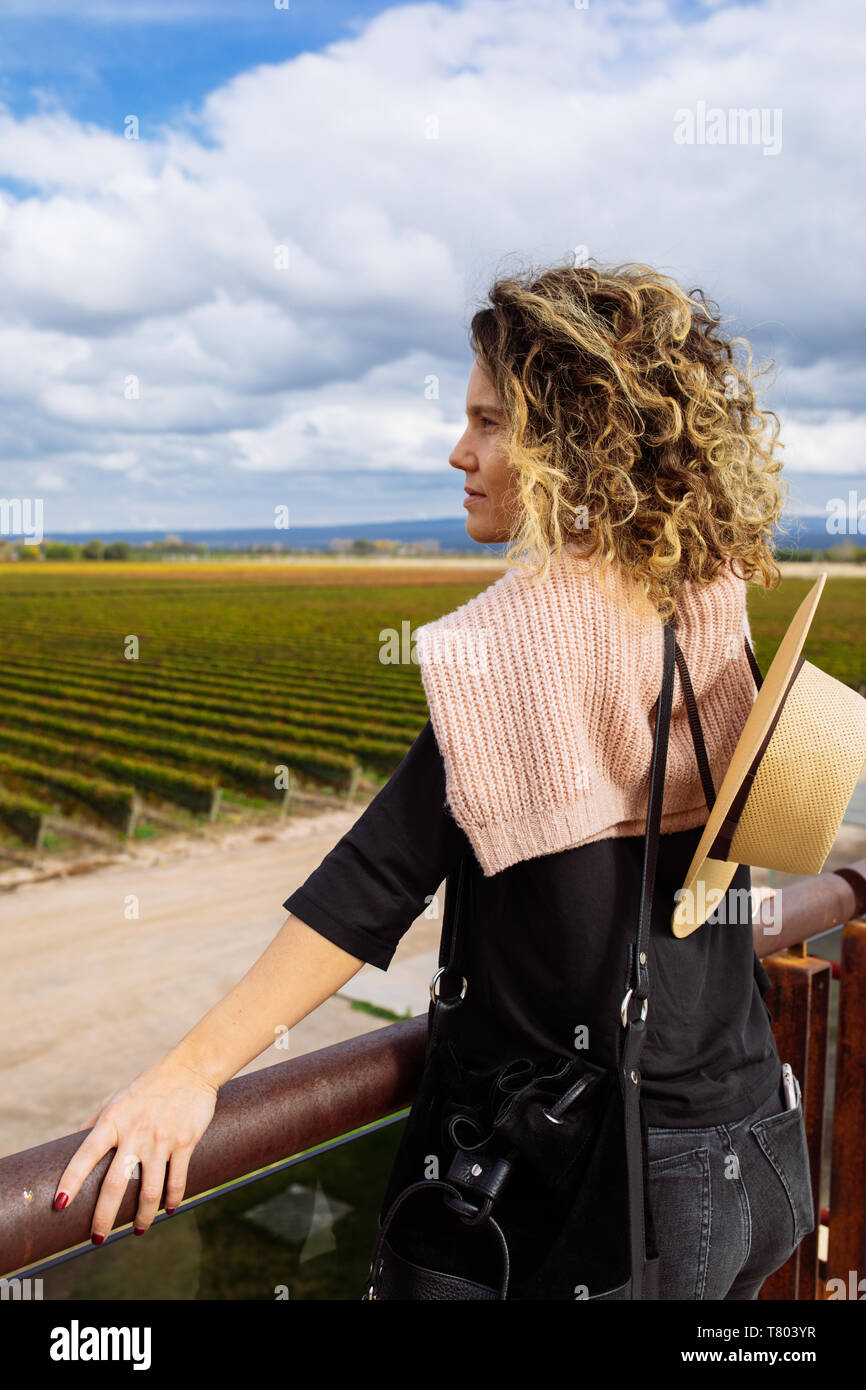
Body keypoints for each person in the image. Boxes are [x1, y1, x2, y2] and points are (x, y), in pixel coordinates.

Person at [53, 259, 814, 1299]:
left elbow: (365, 888)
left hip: (618, 1193)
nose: (459, 452)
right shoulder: (702, 595)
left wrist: (186, 1075)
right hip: (752, 1145)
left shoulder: (512, 651)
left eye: (491, 421)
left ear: (569, 444)